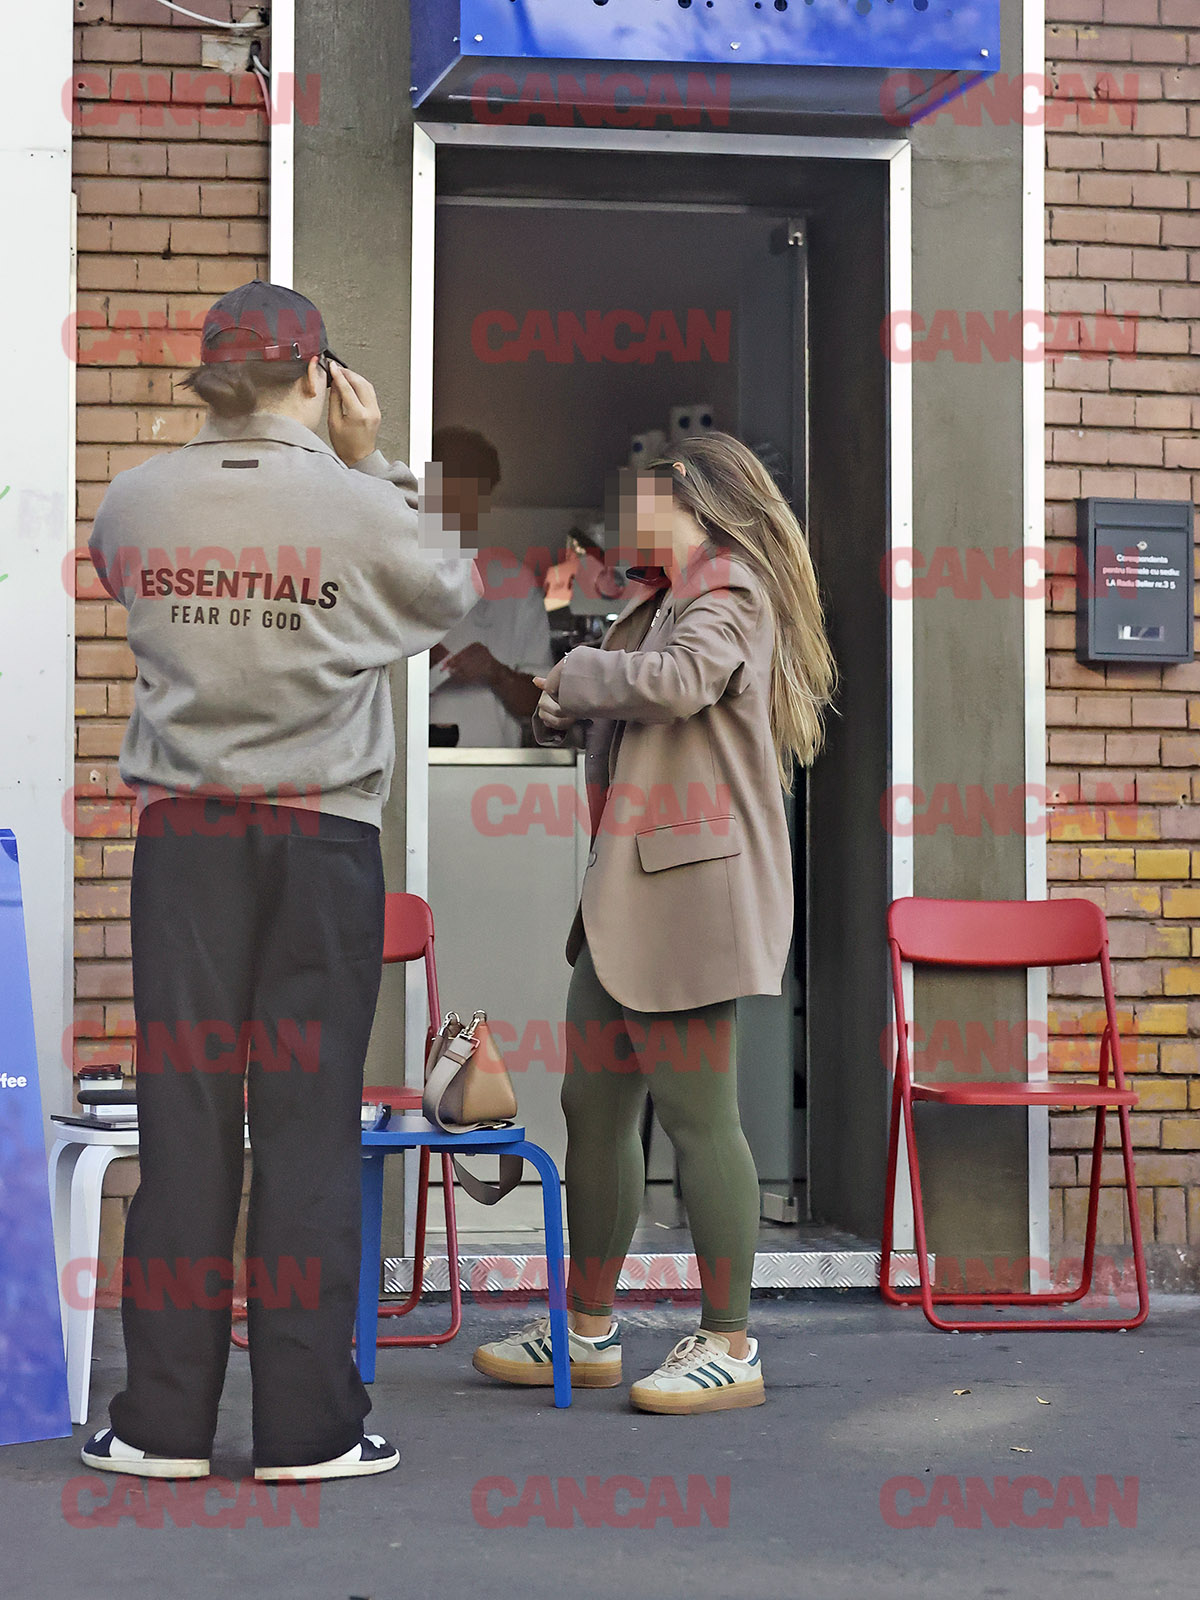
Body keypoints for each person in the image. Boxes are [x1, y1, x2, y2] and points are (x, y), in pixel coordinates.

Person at [81, 280, 480, 1481]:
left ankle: (161, 1425)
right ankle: (311, 1430)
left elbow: (125, 585)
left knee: (185, 1122)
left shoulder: (136, 500)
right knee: (308, 1128)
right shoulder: (362, 506)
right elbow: (454, 590)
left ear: (212, 376)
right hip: (321, 838)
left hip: (185, 841)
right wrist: (377, 464)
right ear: (318, 375)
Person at [472, 433, 836, 1414]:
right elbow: (629, 702)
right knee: (592, 1107)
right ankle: (587, 1330)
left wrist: (577, 673)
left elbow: (676, 684)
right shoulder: (661, 599)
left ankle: (730, 1341)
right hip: (628, 896)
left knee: (697, 1115)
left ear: (693, 500)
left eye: (643, 500)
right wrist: (561, 706)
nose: (628, 517)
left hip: (691, 896)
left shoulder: (730, 587)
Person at [427, 426, 552, 747]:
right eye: (447, 487)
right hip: (407, 766)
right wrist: (412, 658)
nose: (458, 504)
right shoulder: (395, 573)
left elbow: (542, 702)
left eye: (473, 493)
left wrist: (496, 672)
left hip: (491, 767)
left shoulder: (515, 582)